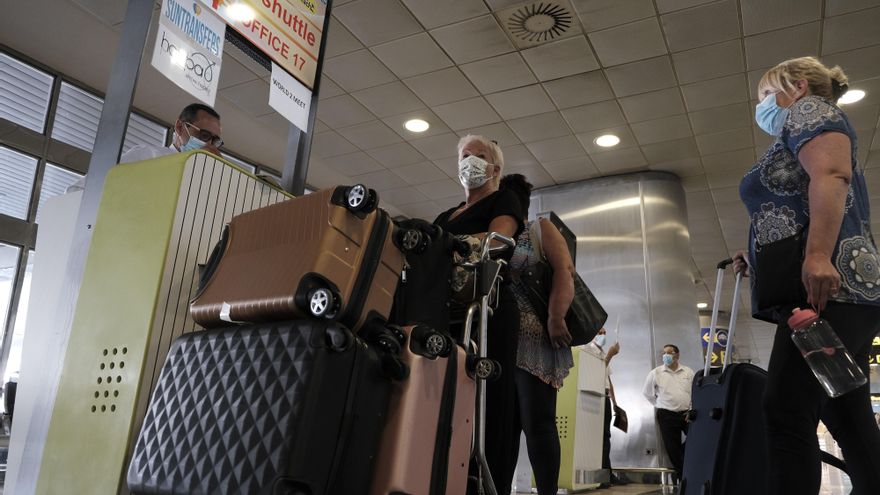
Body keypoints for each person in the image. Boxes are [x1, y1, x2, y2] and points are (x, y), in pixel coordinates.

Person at [734, 56, 880, 494]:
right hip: (846, 293)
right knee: (846, 416)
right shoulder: (798, 128)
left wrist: (817, 255)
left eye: (764, 95)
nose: (761, 105)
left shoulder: (808, 109)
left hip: (827, 293)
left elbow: (831, 174)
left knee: (785, 412)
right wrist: (757, 255)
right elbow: (800, 199)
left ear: (796, 86)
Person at [433, 135, 522, 495]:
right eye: (464, 155)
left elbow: (499, 241)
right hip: (445, 311)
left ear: (495, 168)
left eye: (479, 155)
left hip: (489, 307)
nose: (470, 160)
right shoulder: (445, 215)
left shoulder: (505, 199)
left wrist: (449, 248)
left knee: (490, 402)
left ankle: (487, 484)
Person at [501, 174, 575, 495]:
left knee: (538, 423)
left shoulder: (538, 230)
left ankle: (547, 492)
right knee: (501, 429)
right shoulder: (490, 234)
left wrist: (556, 315)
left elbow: (564, 270)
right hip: (498, 340)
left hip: (534, 336)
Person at [66, 103, 223, 193]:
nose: (208, 145)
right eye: (203, 135)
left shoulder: (207, 181)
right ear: (180, 127)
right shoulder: (148, 156)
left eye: (214, 141)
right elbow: (78, 191)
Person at [642, 344, 694, 480]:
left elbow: (695, 393)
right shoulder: (656, 373)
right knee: (673, 449)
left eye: (669, 353)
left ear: (677, 355)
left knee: (696, 438)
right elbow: (647, 393)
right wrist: (659, 405)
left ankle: (687, 465)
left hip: (687, 414)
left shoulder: (688, 372)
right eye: (664, 353)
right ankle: (682, 477)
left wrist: (692, 409)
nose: (665, 356)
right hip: (667, 415)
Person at [585, 327, 626, 488]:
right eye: (599, 333)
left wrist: (615, 403)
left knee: (605, 436)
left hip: (605, 396)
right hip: (593, 396)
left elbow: (607, 379)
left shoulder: (601, 352)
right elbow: (594, 371)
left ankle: (607, 473)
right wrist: (610, 354)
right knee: (598, 437)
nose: (602, 336)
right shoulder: (587, 349)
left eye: (604, 333)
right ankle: (601, 476)